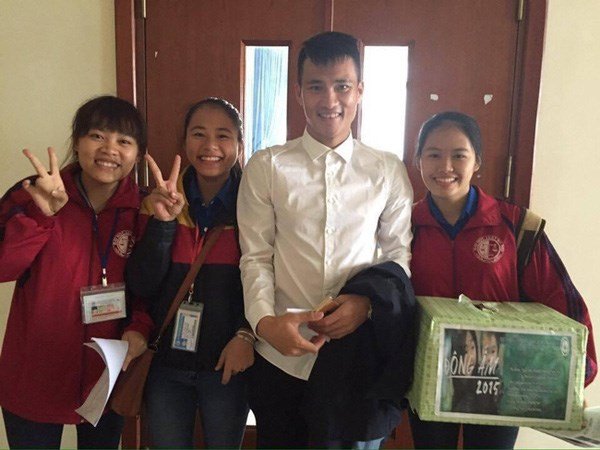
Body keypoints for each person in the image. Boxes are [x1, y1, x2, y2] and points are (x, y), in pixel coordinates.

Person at [237, 31, 415, 448]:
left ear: (360, 91)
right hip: (281, 357)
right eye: (316, 86)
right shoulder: (268, 166)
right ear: (299, 92)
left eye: (342, 86)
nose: (329, 100)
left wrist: (366, 306)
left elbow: (398, 259)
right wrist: (265, 323)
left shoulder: (387, 170)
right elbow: (255, 257)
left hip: (358, 357)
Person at [408, 111, 598, 449]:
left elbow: (561, 300)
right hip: (429, 376)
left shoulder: (516, 226)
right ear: (418, 159)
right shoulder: (403, 227)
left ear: (477, 161)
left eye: (459, 155)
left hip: (502, 381)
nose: (445, 166)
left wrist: (575, 377)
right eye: (433, 154)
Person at [0, 95, 152, 449]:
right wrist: (41, 217)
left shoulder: (144, 208)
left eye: (124, 141)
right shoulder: (33, 194)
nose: (109, 149)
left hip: (106, 374)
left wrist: (140, 327)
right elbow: (4, 268)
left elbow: (150, 284)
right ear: (77, 141)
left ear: (138, 154)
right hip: (34, 371)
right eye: (97, 136)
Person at [126, 97, 252, 448]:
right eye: (199, 134)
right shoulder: (157, 203)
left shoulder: (256, 206)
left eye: (223, 135)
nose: (210, 146)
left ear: (240, 145)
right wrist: (163, 225)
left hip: (227, 365)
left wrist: (246, 335)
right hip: (165, 364)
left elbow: (269, 282)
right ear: (184, 142)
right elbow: (142, 285)